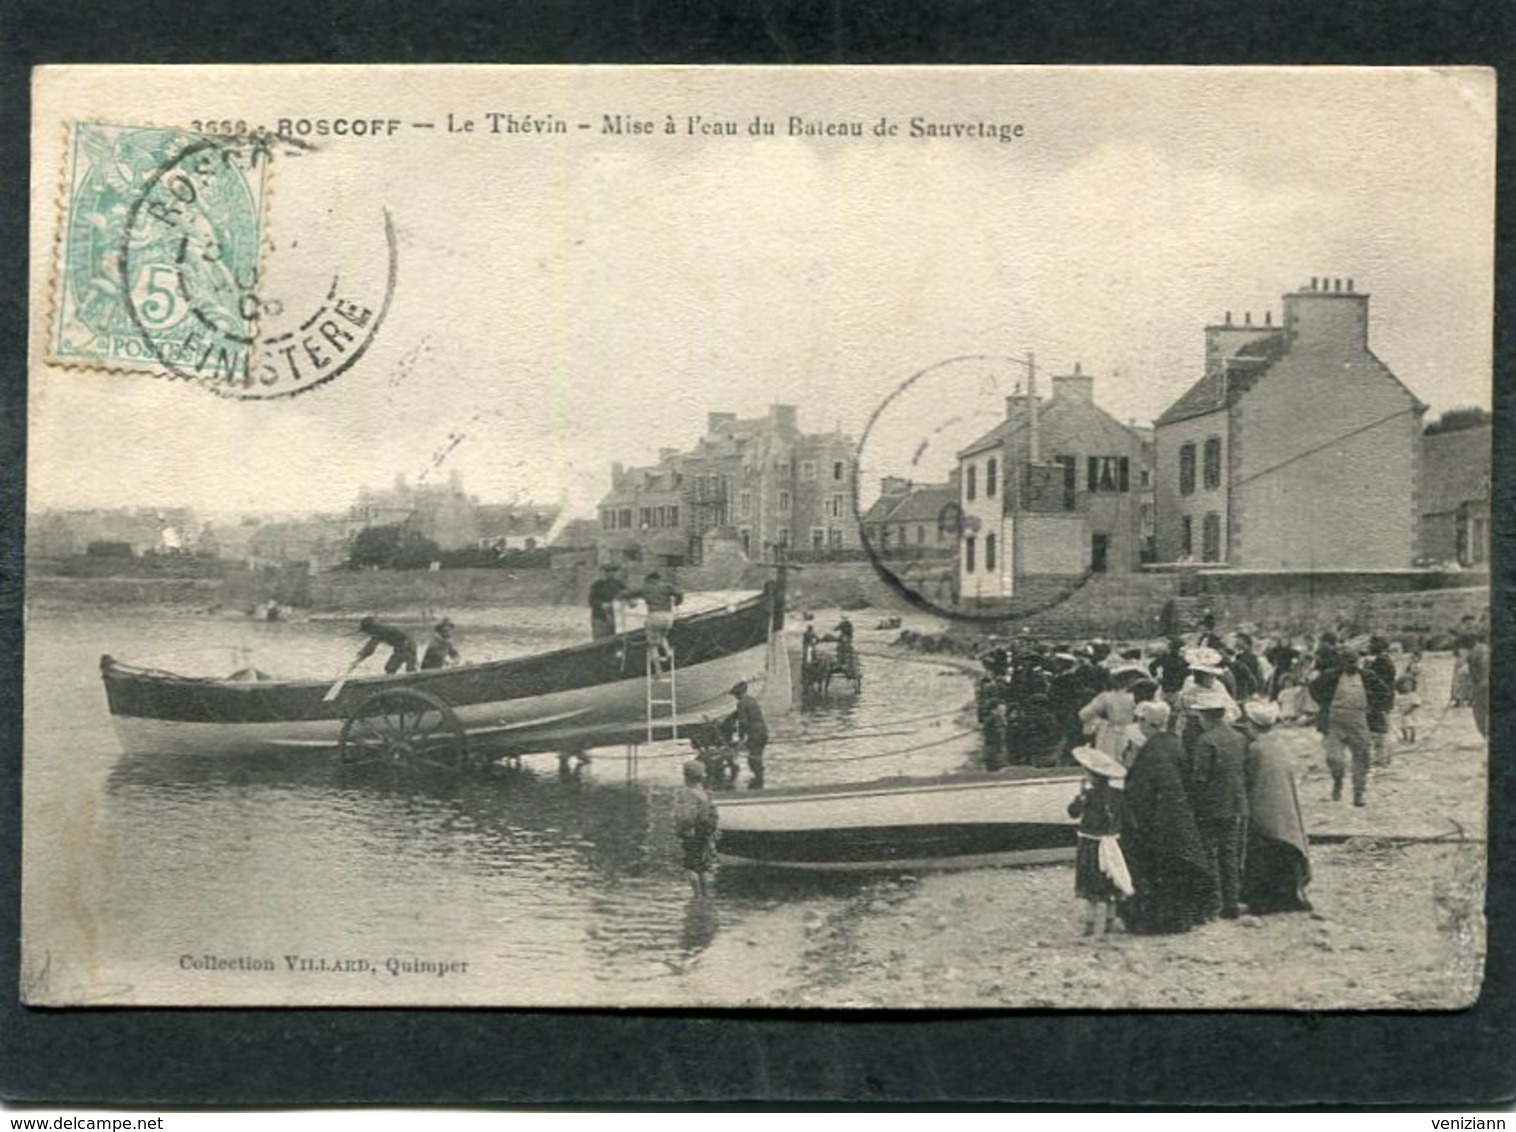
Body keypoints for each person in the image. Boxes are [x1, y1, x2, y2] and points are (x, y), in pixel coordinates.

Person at [1119, 701, 1217, 934]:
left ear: (1146, 723)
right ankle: (1183, 917)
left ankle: (1153, 920)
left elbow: (1138, 793)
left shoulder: (1150, 752)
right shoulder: (1175, 745)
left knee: (1153, 870)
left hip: (1156, 821)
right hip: (1178, 818)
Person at [1238, 700, 1313, 914]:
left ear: (1252, 725)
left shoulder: (1254, 748)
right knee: (1286, 844)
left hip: (1264, 803)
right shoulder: (1280, 744)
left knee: (1264, 847)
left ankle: (1263, 899)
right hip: (1284, 802)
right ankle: (1288, 894)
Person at [1187, 688, 1250, 919]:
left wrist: (1193, 801)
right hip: (1236, 804)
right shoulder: (1239, 738)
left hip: (1211, 806)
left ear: (1207, 716)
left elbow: (1200, 778)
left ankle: (1214, 903)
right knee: (1231, 853)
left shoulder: (1206, 741)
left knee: (1211, 853)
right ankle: (1232, 902)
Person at [1067, 746, 1133, 940]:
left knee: (1091, 883)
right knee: (1111, 879)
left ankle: (1090, 924)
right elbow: (1127, 817)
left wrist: (1080, 796)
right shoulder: (1117, 794)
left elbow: (1073, 813)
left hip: (1091, 842)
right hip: (1113, 841)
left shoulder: (1088, 795)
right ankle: (1110, 922)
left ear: (1092, 775)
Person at [1310, 646, 1389, 807]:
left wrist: (1373, 708)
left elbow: (1385, 692)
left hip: (1359, 721)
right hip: (1335, 722)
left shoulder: (1368, 676)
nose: (1351, 665)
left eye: (1354, 662)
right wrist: (1324, 703)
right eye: (1347, 662)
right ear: (1341, 662)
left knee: (1362, 757)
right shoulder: (1330, 676)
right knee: (1334, 758)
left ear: (1359, 661)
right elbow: (1313, 688)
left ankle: (1358, 792)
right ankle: (1338, 780)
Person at [673, 759, 719, 898]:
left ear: (685, 776)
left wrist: (682, 830)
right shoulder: (706, 793)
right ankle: (705, 894)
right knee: (702, 866)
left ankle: (696, 896)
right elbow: (713, 813)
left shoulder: (687, 794)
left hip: (693, 832)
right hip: (705, 832)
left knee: (690, 866)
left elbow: (686, 817)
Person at [1078, 664, 1142, 765]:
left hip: (1110, 735)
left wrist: (1100, 723)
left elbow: (1084, 714)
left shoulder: (1106, 697)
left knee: (1109, 764)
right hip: (1132, 735)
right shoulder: (1141, 697)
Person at [624, 569, 683, 672]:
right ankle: (668, 653)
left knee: (653, 645)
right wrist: (677, 603)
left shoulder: (646, 588)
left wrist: (630, 602)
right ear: (659, 579)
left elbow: (628, 593)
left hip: (654, 616)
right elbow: (679, 593)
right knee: (662, 636)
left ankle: (658, 672)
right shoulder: (667, 586)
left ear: (649, 580)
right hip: (668, 617)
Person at [1364, 635, 1398, 767]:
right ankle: (1383, 757)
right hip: (1384, 699)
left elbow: (1377, 682)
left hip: (1380, 700)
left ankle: (1383, 758)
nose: (1369, 647)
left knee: (1380, 730)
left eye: (1371, 644)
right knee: (1381, 729)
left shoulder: (1381, 661)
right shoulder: (1384, 659)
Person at [728, 681, 769, 788]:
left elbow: (743, 722)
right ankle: (760, 780)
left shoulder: (741, 703)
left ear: (738, 694)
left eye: (736, 695)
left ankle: (757, 782)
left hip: (754, 733)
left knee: (753, 759)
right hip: (763, 731)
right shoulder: (752, 700)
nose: (735, 697)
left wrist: (741, 737)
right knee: (757, 755)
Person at [1148, 637, 1191, 729]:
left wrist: (1156, 677)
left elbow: (1152, 666)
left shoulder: (1165, 658)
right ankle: (1170, 730)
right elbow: (1188, 674)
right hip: (1177, 689)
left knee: (1164, 711)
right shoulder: (1183, 661)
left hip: (1166, 687)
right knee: (1174, 714)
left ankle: (1163, 729)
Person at [587, 562, 626, 640]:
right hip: (600, 618)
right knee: (600, 641)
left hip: (615, 618)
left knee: (615, 640)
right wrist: (602, 605)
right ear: (605, 573)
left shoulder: (619, 584)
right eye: (608, 571)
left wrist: (630, 600)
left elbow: (627, 594)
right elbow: (591, 601)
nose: (611, 573)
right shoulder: (598, 585)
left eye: (613, 571)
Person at [1395, 647, 1422, 744]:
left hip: (1408, 712)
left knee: (1411, 724)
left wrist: (1409, 710)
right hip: (1402, 713)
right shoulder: (1400, 695)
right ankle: (1405, 737)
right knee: (1402, 725)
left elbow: (1416, 704)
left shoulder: (1417, 666)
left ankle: (1412, 738)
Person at [1467, 630, 1490, 741]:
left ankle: (1485, 734)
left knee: (1480, 710)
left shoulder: (1476, 651)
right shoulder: (1484, 649)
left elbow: (1475, 669)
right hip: (1483, 684)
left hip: (1481, 685)